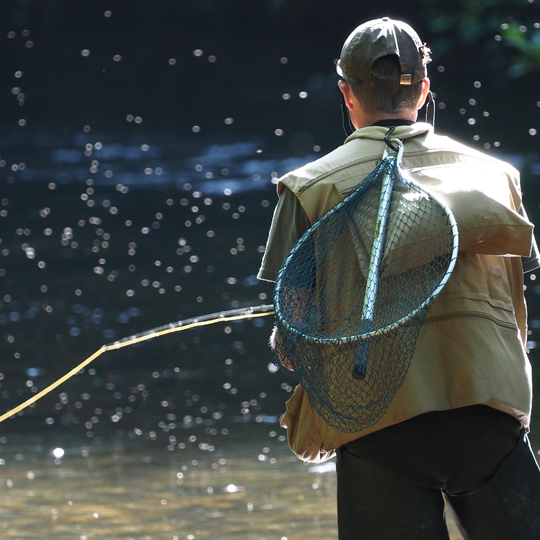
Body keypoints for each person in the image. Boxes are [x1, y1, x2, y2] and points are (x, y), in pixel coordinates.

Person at [257, 17, 540, 540]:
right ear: (425, 89)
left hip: (379, 425)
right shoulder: (498, 176)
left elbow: (294, 340)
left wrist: (284, 336)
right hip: (491, 412)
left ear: (346, 93)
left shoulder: (308, 189)